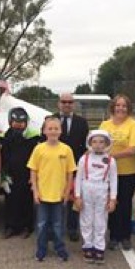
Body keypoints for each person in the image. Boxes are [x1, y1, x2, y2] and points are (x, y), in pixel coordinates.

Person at [27, 116, 76, 262]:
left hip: (59, 196)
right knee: (41, 225)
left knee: (58, 225)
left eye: (56, 128)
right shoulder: (39, 149)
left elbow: (70, 173)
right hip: (42, 195)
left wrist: (67, 192)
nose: (53, 131)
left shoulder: (66, 150)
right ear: (44, 131)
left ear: (61, 131)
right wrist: (35, 191)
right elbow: (33, 171)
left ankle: (59, 248)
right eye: (50, 128)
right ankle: (41, 249)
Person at [100, 94, 135, 251]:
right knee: (111, 203)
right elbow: (98, 144)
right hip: (108, 172)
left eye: (124, 105)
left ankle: (125, 236)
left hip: (127, 172)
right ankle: (113, 235)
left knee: (124, 204)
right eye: (118, 105)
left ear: (128, 108)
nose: (120, 108)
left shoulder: (133, 125)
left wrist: (110, 156)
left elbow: (131, 150)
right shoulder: (105, 125)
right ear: (113, 107)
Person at [75, 130, 117, 264]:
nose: (98, 145)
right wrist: (77, 196)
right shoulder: (84, 159)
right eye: (94, 142)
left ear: (107, 143)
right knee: (86, 219)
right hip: (86, 189)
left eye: (101, 142)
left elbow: (114, 180)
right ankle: (88, 245)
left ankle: (99, 247)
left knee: (100, 220)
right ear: (89, 143)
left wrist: (113, 199)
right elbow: (78, 178)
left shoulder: (111, 160)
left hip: (102, 190)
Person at [1, 107, 40, 239]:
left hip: (27, 175)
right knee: (11, 201)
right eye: (15, 121)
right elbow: (3, 156)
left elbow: (36, 158)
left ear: (26, 123)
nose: (18, 124)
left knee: (26, 201)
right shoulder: (5, 137)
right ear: (10, 121)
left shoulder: (33, 138)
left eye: (22, 121)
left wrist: (33, 176)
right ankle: (11, 226)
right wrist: (3, 175)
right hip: (11, 175)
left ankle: (27, 227)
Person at [54, 93, 89, 241]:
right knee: (55, 197)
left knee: (73, 197)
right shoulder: (51, 120)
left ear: (73, 104)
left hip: (75, 166)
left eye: (70, 102)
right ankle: (56, 227)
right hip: (55, 166)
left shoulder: (82, 122)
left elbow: (87, 145)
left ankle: (72, 228)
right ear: (59, 103)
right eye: (64, 102)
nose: (67, 104)